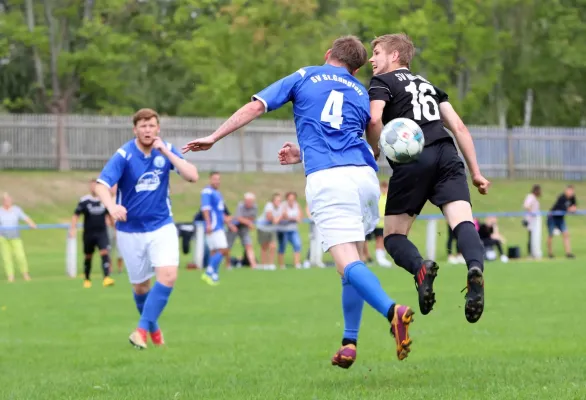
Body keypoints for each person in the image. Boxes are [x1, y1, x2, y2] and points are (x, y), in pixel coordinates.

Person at [182, 35, 414, 367]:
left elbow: (256, 106)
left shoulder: (305, 75)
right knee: (353, 260)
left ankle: (394, 311)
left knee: (348, 260)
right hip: (365, 177)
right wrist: (306, 152)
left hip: (328, 179)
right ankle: (349, 342)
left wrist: (214, 136)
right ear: (357, 66)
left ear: (328, 54)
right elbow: (350, 134)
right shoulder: (361, 92)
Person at [366, 33, 490, 324]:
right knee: (462, 222)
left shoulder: (382, 83)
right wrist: (476, 173)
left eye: (377, 52)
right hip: (447, 153)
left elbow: (374, 119)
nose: (371, 59)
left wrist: (373, 151)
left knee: (394, 236)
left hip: (412, 158)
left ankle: (421, 268)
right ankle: (474, 268)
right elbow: (458, 126)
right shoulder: (429, 85)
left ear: (394, 56)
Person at [95, 108, 199, 349]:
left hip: (161, 226)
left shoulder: (166, 150)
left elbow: (192, 176)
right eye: (143, 126)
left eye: (151, 126)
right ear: (135, 130)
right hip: (130, 231)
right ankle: (153, 329)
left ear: (158, 128)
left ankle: (140, 331)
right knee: (141, 287)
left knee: (169, 276)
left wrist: (167, 153)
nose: (147, 130)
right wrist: (112, 207)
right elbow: (101, 185)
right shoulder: (124, 154)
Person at [69, 179, 115, 288]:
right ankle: (87, 279)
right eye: (92, 186)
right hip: (89, 233)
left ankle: (106, 278)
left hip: (102, 232)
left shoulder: (104, 201)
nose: (94, 188)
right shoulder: (85, 201)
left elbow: (110, 215)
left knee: (104, 252)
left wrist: (114, 227)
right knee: (88, 256)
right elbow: (76, 215)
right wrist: (73, 228)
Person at [200, 171, 230, 285]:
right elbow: (206, 208)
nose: (217, 181)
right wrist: (208, 224)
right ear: (210, 179)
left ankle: (214, 275)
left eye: (218, 179)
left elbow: (219, 211)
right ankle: (208, 272)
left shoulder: (217, 193)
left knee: (214, 251)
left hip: (219, 224)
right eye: (215, 179)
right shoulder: (207, 192)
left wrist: (228, 222)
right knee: (223, 249)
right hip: (214, 226)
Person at [0, 193, 36, 282]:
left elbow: (25, 217)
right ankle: (10, 276)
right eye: (5, 200)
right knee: (6, 258)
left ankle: (25, 274)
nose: (8, 202)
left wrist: (31, 223)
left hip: (15, 237)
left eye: (9, 200)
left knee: (20, 256)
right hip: (3, 238)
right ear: (3, 202)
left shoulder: (16, 210)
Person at [227, 192, 258, 269]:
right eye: (247, 201)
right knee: (228, 246)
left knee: (248, 245)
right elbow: (238, 218)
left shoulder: (255, 207)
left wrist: (248, 222)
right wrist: (248, 222)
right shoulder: (240, 205)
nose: (248, 203)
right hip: (234, 226)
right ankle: (227, 264)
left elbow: (252, 218)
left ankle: (253, 265)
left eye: (250, 201)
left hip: (244, 227)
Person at [547, 185, 576, 259]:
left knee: (566, 234)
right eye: (569, 191)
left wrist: (573, 208)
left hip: (560, 219)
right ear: (566, 190)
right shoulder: (562, 198)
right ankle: (550, 254)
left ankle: (568, 253)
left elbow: (574, 207)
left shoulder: (572, 198)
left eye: (572, 191)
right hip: (552, 217)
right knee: (551, 235)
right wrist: (570, 209)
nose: (571, 193)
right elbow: (565, 209)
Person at [277, 192, 303, 269]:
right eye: (289, 199)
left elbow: (300, 216)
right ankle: (281, 265)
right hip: (283, 230)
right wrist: (294, 218)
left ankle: (297, 263)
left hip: (293, 229)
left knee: (297, 244)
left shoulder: (296, 205)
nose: (291, 200)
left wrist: (296, 218)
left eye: (293, 199)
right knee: (282, 246)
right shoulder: (283, 205)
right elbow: (285, 216)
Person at [522, 184, 541, 257]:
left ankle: (533, 251)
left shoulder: (534, 197)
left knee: (533, 236)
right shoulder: (531, 197)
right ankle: (530, 253)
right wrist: (532, 213)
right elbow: (526, 205)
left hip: (535, 221)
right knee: (531, 237)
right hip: (531, 220)